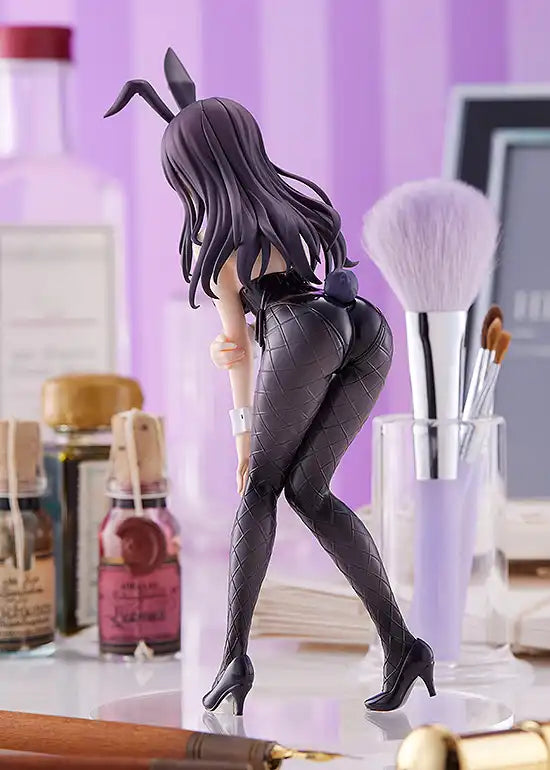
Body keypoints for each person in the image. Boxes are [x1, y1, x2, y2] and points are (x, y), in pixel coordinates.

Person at [105, 48, 434, 714]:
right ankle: (403, 645)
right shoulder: (292, 211)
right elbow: (270, 326)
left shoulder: (220, 248)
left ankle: (234, 656)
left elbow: (240, 350)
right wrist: (248, 346)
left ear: (192, 173)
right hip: (363, 325)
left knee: (259, 489)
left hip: (302, 334)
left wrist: (243, 439)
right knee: (308, 491)